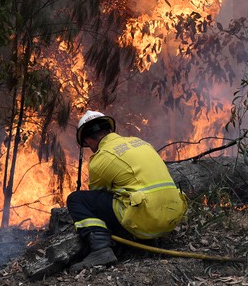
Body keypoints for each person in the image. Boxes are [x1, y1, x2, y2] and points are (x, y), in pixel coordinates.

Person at [65, 110, 188, 271]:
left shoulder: (100, 158)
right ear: (110, 130)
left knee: (77, 199)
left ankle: (101, 249)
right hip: (173, 217)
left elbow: (98, 195)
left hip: (146, 219)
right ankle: (147, 240)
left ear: (88, 141)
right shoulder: (141, 143)